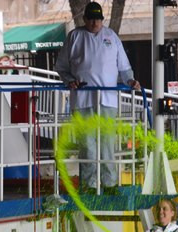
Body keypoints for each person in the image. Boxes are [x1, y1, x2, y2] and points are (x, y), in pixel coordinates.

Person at [54, 1, 141, 192]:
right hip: (83, 101)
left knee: (108, 142)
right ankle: (89, 186)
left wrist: (131, 81)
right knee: (87, 145)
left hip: (108, 100)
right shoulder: (74, 37)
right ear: (84, 19)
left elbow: (124, 68)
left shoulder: (112, 37)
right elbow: (61, 67)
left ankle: (110, 184)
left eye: (98, 19)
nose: (95, 23)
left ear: (102, 20)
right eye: (91, 19)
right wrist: (70, 80)